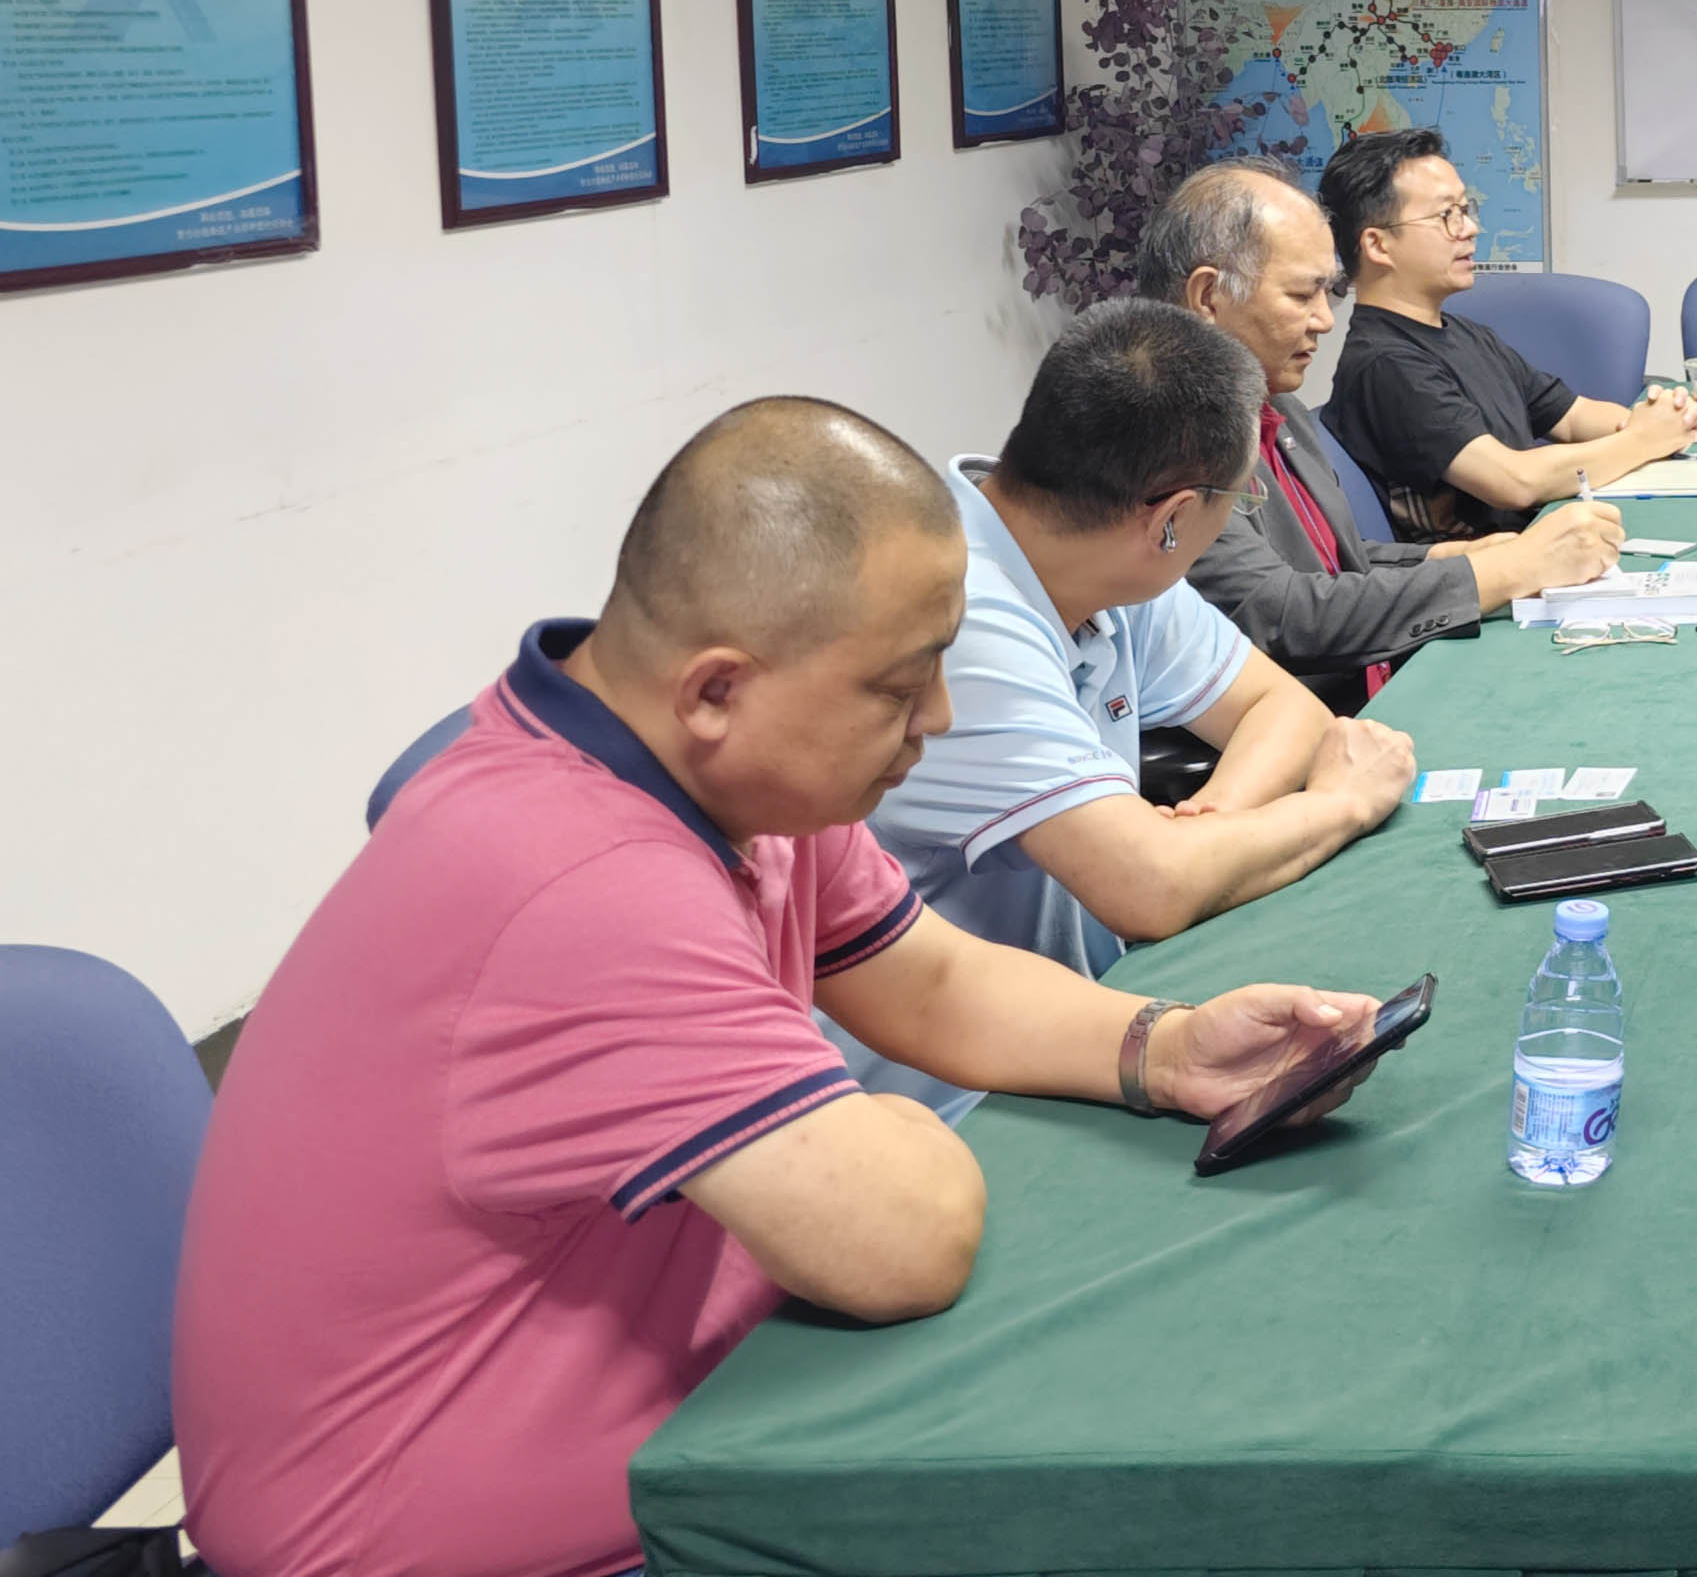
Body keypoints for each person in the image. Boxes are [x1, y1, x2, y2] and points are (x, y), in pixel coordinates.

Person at [174, 399, 1395, 1577]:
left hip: (653, 1425)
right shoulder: (581, 883)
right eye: (899, 686)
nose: (937, 716)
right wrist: (891, 1123)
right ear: (715, 691)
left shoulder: (731, 782)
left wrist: (1165, 1047)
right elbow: (902, 1241)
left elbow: (932, 983)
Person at [853, 297, 1418, 1112]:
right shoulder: (958, 613)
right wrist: (1342, 802)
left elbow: (1281, 707)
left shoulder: (1094, 553)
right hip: (956, 1103)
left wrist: (1207, 829)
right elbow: (1149, 890)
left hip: (1069, 1035)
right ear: (1175, 519)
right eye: (1241, 500)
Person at [1144, 159, 1622, 705]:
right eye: (1301, 296)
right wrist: (1504, 571)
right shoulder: (1165, 440)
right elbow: (1281, 613)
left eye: (1326, 294)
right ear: (1209, 297)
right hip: (1311, 717)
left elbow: (1331, 561)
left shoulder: (1276, 407)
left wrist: (1450, 559)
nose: (1325, 319)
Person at [1319, 126, 1697, 542]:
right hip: (1493, 571)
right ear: (1378, 245)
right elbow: (1514, 481)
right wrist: (1643, 439)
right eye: (1446, 215)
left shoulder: (1464, 333)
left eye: (1466, 209)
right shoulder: (1386, 364)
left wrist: (1663, 419)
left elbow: (1572, 418)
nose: (1470, 228)